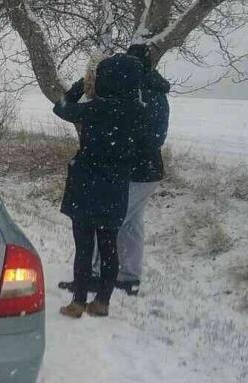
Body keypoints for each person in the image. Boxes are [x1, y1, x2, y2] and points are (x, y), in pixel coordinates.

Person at [53, 53, 147, 318]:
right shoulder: (138, 113)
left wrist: (80, 87)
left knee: (83, 247)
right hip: (116, 186)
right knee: (109, 246)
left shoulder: (93, 109)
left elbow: (60, 107)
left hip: (86, 183)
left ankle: (78, 302)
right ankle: (102, 301)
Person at [117, 43, 171, 295]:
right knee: (133, 222)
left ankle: (103, 273)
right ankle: (130, 275)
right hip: (151, 169)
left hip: (136, 169)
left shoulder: (135, 91)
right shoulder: (158, 92)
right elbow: (158, 135)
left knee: (114, 220)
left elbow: (133, 132)